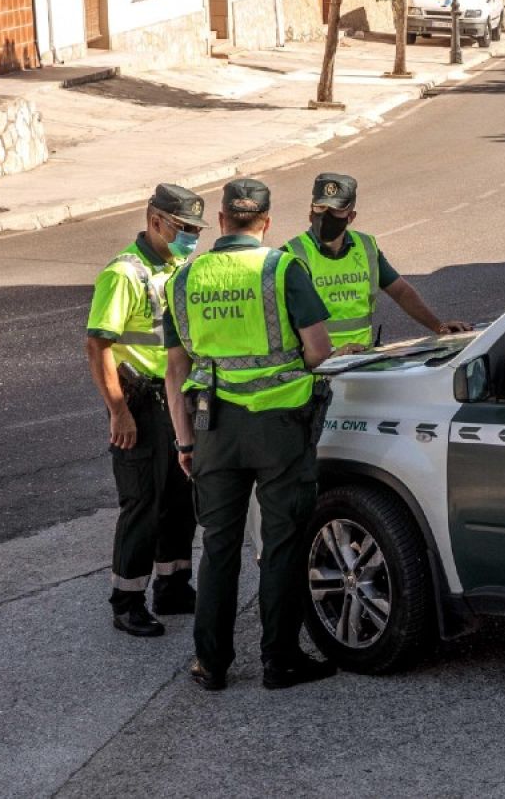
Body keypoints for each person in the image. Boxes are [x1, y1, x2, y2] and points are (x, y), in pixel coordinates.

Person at [164, 177, 338, 692]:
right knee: (282, 545)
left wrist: (184, 442)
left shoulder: (184, 278)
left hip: (212, 427)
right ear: (265, 222)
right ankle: (279, 661)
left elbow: (175, 372)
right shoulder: (281, 267)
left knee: (219, 547)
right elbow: (319, 349)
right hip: (281, 428)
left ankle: (211, 665)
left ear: (219, 221)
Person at [85, 184, 207, 637]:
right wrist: (119, 412)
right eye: (183, 228)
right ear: (155, 220)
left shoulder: (181, 267)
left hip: (177, 398)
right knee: (143, 504)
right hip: (140, 403)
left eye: (196, 229)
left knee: (180, 501)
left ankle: (173, 586)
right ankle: (127, 599)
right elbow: (98, 345)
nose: (190, 236)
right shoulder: (124, 273)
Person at [283, 172, 469, 352]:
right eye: (320, 208)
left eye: (335, 210)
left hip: (361, 360)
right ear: (310, 211)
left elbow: (401, 292)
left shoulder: (366, 248)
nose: (326, 215)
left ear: (351, 217)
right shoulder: (291, 254)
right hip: (315, 368)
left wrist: (438, 327)